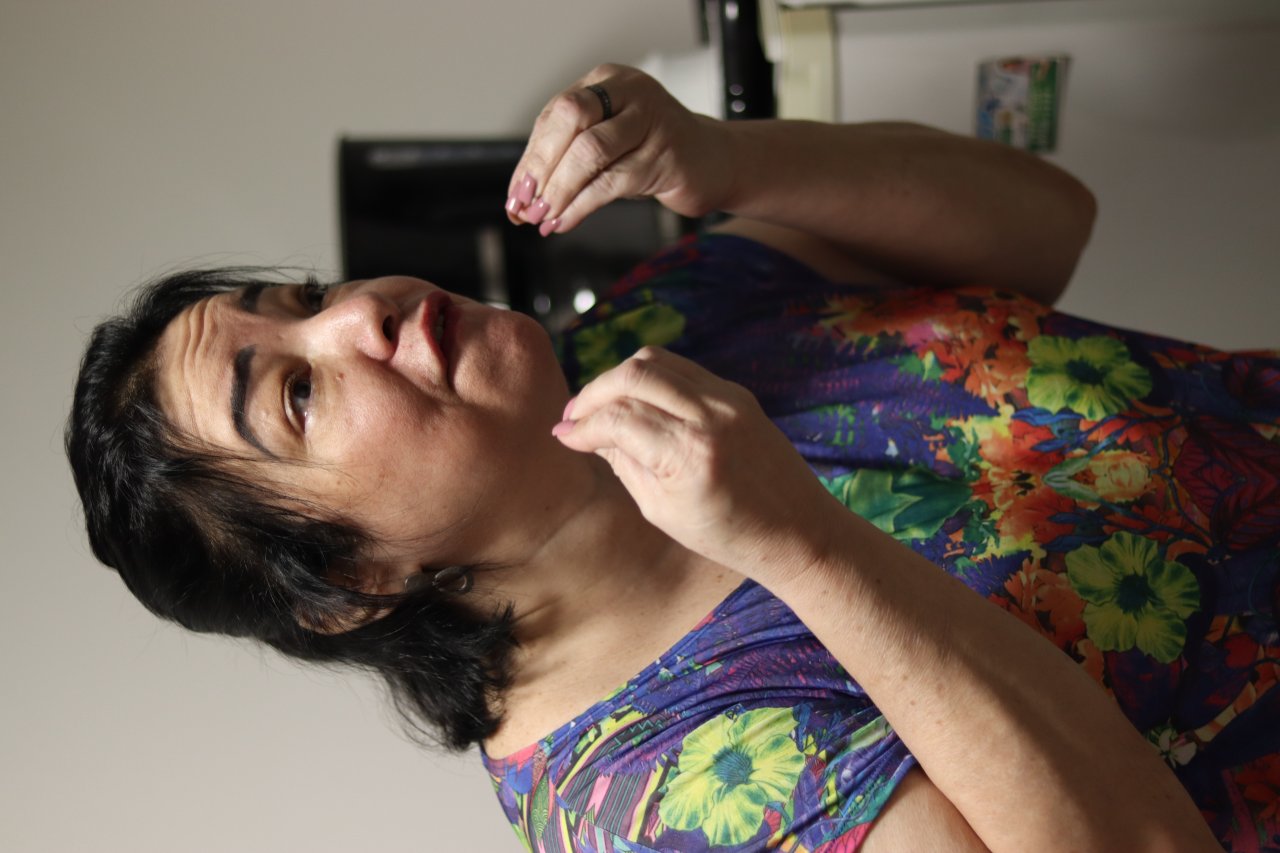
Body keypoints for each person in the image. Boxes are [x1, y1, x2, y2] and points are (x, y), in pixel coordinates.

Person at [65, 64, 1276, 852]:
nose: (355, 314)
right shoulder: (657, 794)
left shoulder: (648, 333)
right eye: (295, 394)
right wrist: (806, 547)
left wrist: (725, 162)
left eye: (306, 296)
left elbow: (1046, 224)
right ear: (346, 584)